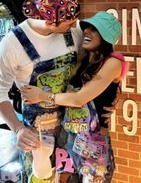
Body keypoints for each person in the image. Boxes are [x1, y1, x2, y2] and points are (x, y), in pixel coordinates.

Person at [20, 11, 128, 183]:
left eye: (94, 29)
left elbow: (79, 99)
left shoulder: (113, 62)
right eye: (87, 28)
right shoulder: (83, 59)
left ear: (107, 36)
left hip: (93, 144)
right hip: (69, 138)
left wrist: (42, 95)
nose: (86, 32)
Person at [0, 0, 82, 183]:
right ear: (49, 21)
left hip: (74, 125)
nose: (74, 25)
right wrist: (18, 129)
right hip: (36, 133)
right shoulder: (14, 44)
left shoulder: (74, 31)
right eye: (69, 22)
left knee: (71, 178)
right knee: (40, 177)